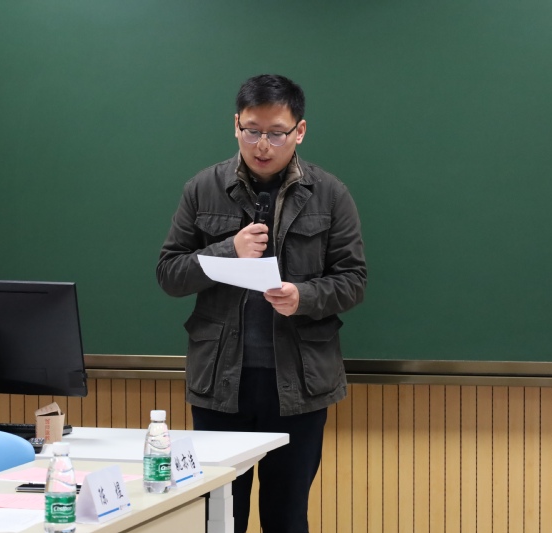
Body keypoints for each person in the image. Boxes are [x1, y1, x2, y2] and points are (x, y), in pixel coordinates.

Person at [156, 74, 367, 533]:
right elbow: (169, 273)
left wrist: (304, 296)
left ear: (300, 131)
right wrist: (226, 250)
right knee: (218, 517)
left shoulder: (330, 194)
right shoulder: (202, 188)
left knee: (286, 517)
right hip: (220, 384)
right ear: (236, 125)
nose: (263, 145)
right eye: (252, 131)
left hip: (299, 385)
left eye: (276, 132)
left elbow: (353, 281)